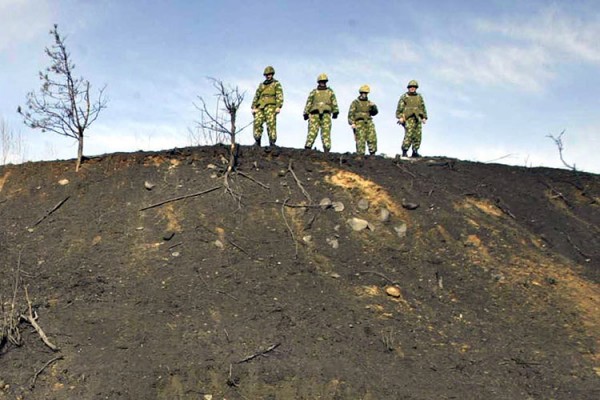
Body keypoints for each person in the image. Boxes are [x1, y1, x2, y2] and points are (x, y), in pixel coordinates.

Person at [303, 73, 339, 153]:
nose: (322, 83)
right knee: (312, 132)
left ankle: (326, 150)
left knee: (326, 132)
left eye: (324, 81)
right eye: (321, 81)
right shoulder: (314, 92)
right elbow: (309, 102)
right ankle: (307, 148)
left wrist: (335, 111)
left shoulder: (330, 92)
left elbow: (334, 102)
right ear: (318, 82)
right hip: (314, 114)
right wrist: (306, 112)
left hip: (326, 114)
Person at [251, 66, 284, 147]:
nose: (268, 76)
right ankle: (257, 141)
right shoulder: (261, 85)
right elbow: (256, 95)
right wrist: (253, 107)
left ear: (272, 74)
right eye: (266, 74)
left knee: (271, 124)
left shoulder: (276, 84)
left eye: (269, 74)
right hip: (260, 106)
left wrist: (278, 106)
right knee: (257, 123)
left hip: (271, 106)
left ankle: (272, 142)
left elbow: (280, 95)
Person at [396, 80, 428, 158]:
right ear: (408, 88)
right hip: (408, 118)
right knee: (409, 135)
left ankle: (415, 151)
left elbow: (422, 107)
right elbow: (399, 109)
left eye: (414, 87)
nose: (412, 88)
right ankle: (404, 151)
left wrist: (424, 117)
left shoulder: (419, 97)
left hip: (417, 118)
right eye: (411, 87)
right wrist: (400, 117)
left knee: (418, 135)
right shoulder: (404, 97)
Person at [347, 84, 378, 156]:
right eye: (363, 93)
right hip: (359, 123)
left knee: (372, 138)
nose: (364, 94)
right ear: (360, 93)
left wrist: (374, 106)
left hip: (369, 122)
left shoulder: (369, 103)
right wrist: (352, 123)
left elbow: (375, 113)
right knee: (360, 140)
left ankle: (372, 154)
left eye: (366, 93)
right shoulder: (355, 103)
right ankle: (360, 156)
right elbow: (350, 114)